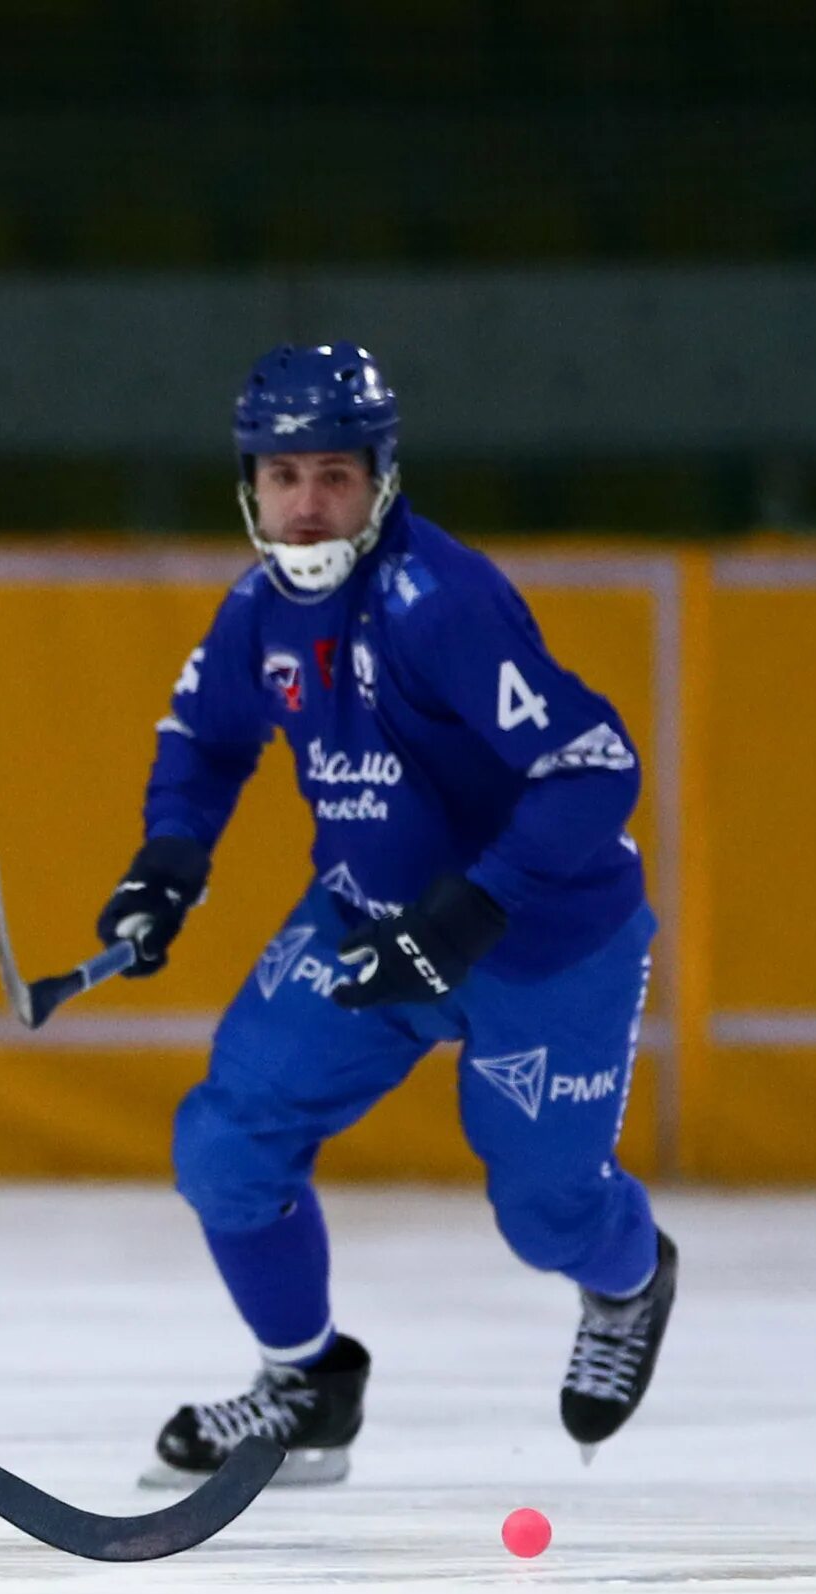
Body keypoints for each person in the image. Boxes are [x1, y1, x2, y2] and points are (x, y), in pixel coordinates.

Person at [105, 344, 676, 1489]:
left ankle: (627, 1275)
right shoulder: (258, 609)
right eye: (283, 477)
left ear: (381, 478)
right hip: (368, 917)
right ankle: (305, 1388)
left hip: (544, 940)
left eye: (334, 474)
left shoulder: (440, 603)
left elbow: (595, 765)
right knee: (225, 1142)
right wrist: (168, 862)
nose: (307, 505)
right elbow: (207, 739)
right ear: (249, 487)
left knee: (544, 1214)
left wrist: (477, 908)